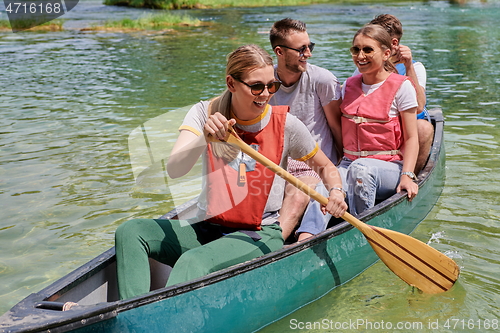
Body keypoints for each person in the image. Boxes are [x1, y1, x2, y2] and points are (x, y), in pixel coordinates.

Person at [114, 44, 347, 300]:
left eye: (272, 85)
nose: (266, 94)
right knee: (131, 231)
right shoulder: (204, 112)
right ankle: (129, 313)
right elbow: (175, 169)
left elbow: (326, 167)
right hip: (206, 225)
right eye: (256, 86)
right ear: (231, 83)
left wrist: (336, 192)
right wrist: (204, 137)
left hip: (259, 233)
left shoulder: (287, 125)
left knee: (193, 262)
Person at [298, 24, 419, 236]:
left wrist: (407, 175)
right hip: (349, 163)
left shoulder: (402, 87)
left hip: (388, 168)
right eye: (356, 50)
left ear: (386, 53)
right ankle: (305, 238)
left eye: (368, 50)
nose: (360, 55)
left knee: (361, 169)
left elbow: (411, 138)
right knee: (324, 187)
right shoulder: (348, 85)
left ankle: (359, 233)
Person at [269, 18, 343, 241]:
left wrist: (339, 174)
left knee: (298, 193)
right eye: (301, 49)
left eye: (310, 46)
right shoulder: (263, 82)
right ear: (279, 52)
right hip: (276, 166)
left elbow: (336, 127)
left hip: (314, 167)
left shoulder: (322, 80)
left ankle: (270, 247)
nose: (308, 54)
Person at [356, 14, 434, 174]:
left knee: (423, 128)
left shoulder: (415, 67)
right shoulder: (364, 65)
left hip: (406, 126)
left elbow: (419, 107)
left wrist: (407, 66)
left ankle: (410, 176)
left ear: (393, 43)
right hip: (379, 124)